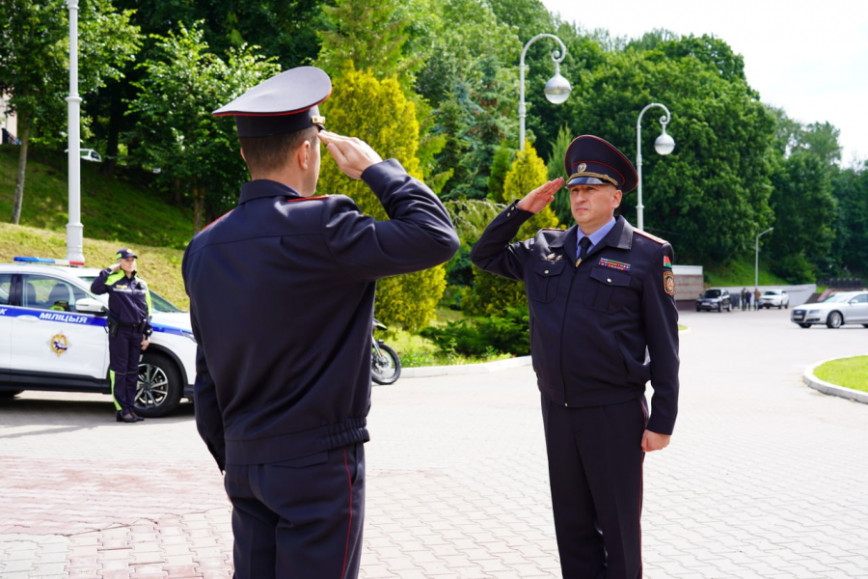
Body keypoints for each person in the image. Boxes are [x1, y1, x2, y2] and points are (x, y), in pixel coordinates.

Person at [182, 66, 459, 579]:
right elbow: (437, 235)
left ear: (246, 153)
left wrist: (238, 457)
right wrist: (380, 170)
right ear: (308, 151)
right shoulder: (324, 224)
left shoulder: (203, 247)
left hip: (245, 463)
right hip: (317, 464)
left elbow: (207, 378)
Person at [471, 134, 679, 578]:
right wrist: (521, 210)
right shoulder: (545, 249)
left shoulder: (645, 255)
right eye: (575, 190)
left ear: (615, 196)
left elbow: (665, 344)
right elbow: (484, 255)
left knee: (618, 527)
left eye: (591, 189)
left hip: (614, 413)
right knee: (572, 527)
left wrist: (662, 421)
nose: (580, 197)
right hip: (558, 410)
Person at [91, 247, 152, 423]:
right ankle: (121, 409)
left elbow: (147, 310)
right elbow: (95, 288)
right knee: (120, 371)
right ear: (120, 262)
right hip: (120, 332)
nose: (131, 262)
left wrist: (147, 333)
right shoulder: (112, 279)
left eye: (133, 259)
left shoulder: (141, 284)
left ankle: (130, 409)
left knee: (133, 371)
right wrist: (110, 269)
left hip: (137, 332)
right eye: (126, 260)